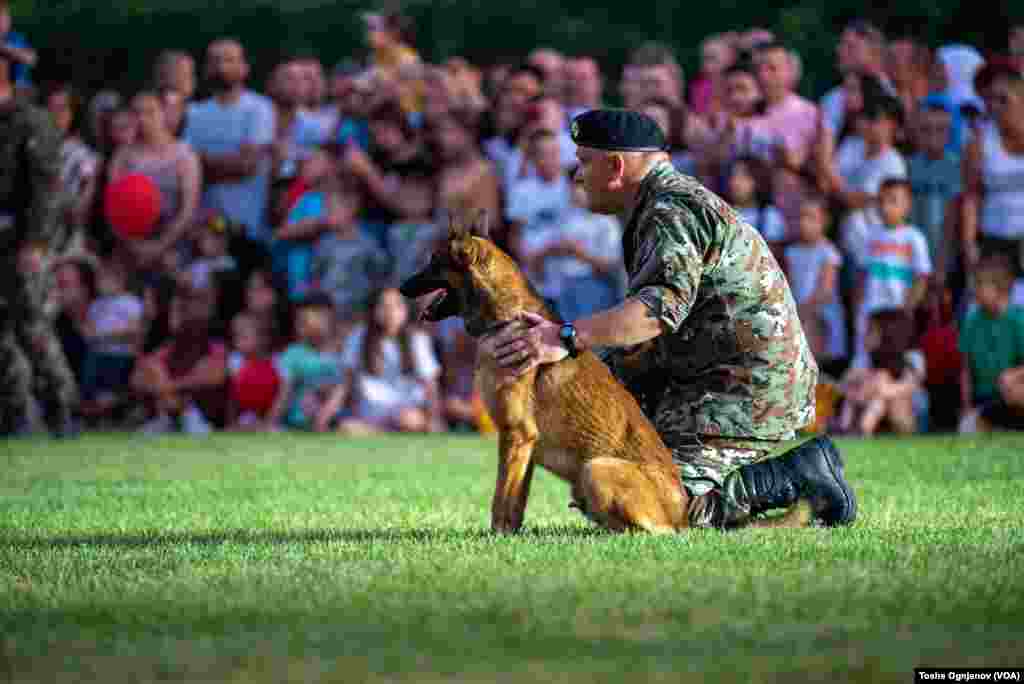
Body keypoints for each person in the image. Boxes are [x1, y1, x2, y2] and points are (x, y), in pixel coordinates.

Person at [477, 109, 856, 529]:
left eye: (584, 162)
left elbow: (653, 314)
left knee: (661, 505)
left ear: (616, 166)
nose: (578, 176)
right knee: (608, 483)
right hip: (705, 373)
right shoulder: (658, 203)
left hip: (748, 385)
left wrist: (564, 336)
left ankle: (805, 473)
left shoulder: (670, 210)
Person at [0, 48, 78, 437]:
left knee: (32, 324)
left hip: (22, 238)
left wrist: (36, 243)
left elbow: (47, 187)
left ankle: (61, 409)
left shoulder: (31, 121)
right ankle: (15, 414)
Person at [184, 39, 275, 244]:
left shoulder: (260, 108)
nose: (221, 66)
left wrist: (203, 161)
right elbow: (188, 168)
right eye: (215, 60)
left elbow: (247, 166)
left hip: (248, 228)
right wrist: (230, 162)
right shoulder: (194, 113)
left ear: (244, 68)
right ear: (206, 68)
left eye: (229, 60)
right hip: (204, 231)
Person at [317, 286, 442, 435]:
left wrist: (436, 418)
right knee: (346, 427)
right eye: (384, 306)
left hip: (406, 408)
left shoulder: (417, 339)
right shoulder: (359, 337)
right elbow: (345, 383)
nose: (391, 313)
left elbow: (430, 384)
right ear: (373, 310)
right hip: (372, 410)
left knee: (409, 420)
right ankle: (385, 432)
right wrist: (325, 414)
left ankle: (378, 432)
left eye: (397, 306)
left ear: (406, 310)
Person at [109, 91, 201, 276]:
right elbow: (113, 209)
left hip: (173, 251)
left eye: (150, 112)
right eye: (137, 113)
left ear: (164, 113)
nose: (143, 119)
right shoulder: (123, 156)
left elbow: (188, 210)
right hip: (131, 251)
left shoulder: (184, 155)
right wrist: (135, 246)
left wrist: (159, 247)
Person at [133, 283, 228, 435]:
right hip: (169, 409)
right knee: (154, 368)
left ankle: (183, 416)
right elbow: (137, 379)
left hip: (205, 417)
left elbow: (216, 376)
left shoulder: (213, 345)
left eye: (181, 310)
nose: (175, 316)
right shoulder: (166, 348)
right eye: (174, 310)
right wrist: (163, 382)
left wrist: (169, 385)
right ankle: (173, 418)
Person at [853, 178, 932, 357]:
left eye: (893, 201)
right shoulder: (871, 235)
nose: (885, 207)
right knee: (864, 356)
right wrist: (858, 305)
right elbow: (862, 273)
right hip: (870, 308)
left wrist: (907, 309)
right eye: (881, 201)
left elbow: (922, 278)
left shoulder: (914, 237)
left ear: (907, 205)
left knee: (894, 358)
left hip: (897, 309)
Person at [958, 254, 1024, 433]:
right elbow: (966, 369)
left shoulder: (1018, 320)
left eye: (980, 284)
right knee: (966, 430)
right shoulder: (972, 321)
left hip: (1012, 392)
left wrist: (1014, 375)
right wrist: (966, 406)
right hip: (986, 398)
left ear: (1000, 288)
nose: (975, 290)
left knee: (1014, 391)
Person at [837, 308, 925, 436]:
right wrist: (860, 389)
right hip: (876, 405)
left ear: (887, 334)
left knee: (883, 387)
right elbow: (844, 382)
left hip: (908, 415)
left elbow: (907, 387)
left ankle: (861, 429)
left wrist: (876, 385)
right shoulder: (865, 358)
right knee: (874, 393)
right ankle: (854, 429)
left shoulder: (912, 358)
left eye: (870, 331)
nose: (864, 335)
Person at [784, 196, 847, 371]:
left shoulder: (828, 252)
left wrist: (802, 312)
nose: (805, 223)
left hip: (822, 315)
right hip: (798, 314)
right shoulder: (792, 252)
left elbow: (825, 291)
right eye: (802, 217)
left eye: (811, 218)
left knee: (818, 362)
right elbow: (787, 287)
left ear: (824, 221)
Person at [0, 1, 36, 89]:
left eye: (6, 17)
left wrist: (6, 48)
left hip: (19, 89)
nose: (4, 22)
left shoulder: (15, 38)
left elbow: (31, 59)